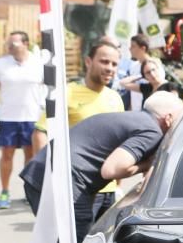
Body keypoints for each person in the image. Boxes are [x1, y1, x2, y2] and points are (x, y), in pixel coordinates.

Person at [20, 91, 183, 243]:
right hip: (65, 179)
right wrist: (148, 164)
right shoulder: (152, 131)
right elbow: (111, 170)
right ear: (168, 118)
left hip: (41, 174)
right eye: (179, 120)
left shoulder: (132, 119)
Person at [31, 39, 125, 217]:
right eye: (104, 61)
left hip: (109, 191)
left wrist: (119, 185)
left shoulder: (115, 98)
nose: (110, 68)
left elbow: (119, 143)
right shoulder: (66, 93)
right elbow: (41, 132)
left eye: (114, 64)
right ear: (88, 61)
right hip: (79, 190)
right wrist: (48, 178)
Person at [0, 30, 44, 209]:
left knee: (31, 156)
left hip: (32, 117)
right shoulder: (1, 64)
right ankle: (4, 191)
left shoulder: (39, 62)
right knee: (7, 155)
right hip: (8, 118)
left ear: (25, 43)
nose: (9, 46)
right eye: (8, 44)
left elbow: (50, 89)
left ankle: (29, 191)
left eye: (13, 43)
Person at [118, 34, 152, 110]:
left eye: (133, 46)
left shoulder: (154, 66)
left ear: (143, 48)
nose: (130, 49)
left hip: (148, 111)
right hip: (135, 111)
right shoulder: (133, 66)